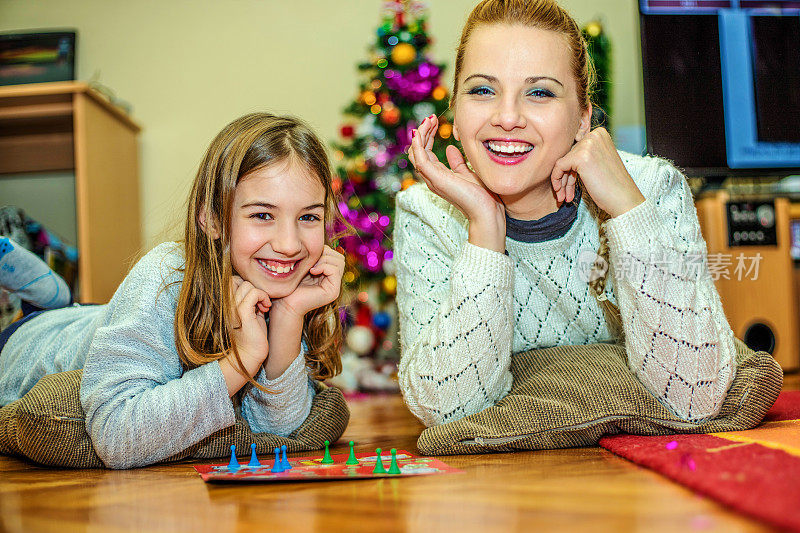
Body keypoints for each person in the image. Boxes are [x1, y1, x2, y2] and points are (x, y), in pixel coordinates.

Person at [396, 0, 736, 427]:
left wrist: (629, 211)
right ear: (457, 116)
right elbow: (447, 409)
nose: (506, 118)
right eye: (483, 90)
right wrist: (485, 230)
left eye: (540, 92)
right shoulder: (428, 214)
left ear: (582, 119)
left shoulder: (650, 189)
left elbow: (695, 394)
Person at [0, 113, 346, 468]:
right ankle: (39, 298)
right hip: (24, 344)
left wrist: (289, 315)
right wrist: (240, 362)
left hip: (95, 317)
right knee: (51, 317)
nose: (290, 245)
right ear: (211, 219)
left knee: (81, 310)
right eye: (262, 215)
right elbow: (115, 438)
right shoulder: (166, 272)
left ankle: (47, 297)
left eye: (308, 217)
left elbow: (279, 431)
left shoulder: (290, 285)